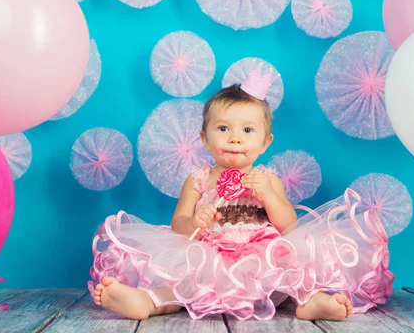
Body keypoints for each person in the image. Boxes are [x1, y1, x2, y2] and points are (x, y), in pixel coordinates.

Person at [89, 66, 393, 321]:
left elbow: (289, 225)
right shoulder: (198, 179)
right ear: (205, 139)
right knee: (185, 287)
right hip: (209, 254)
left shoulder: (266, 178)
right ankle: (147, 301)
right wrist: (194, 221)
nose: (234, 138)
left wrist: (270, 198)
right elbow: (177, 223)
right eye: (223, 129)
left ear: (264, 143)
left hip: (260, 255)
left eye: (247, 131)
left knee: (286, 278)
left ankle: (308, 303)